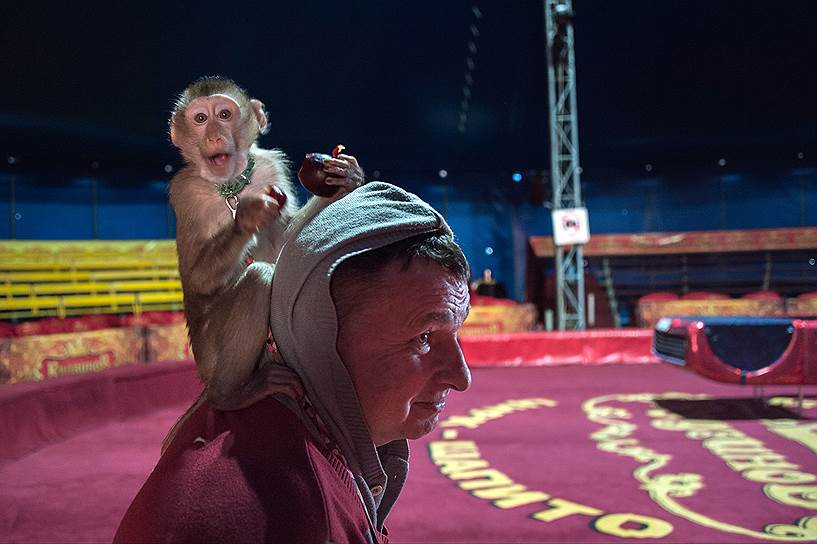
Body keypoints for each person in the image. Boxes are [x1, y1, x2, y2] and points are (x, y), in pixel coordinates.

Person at [114, 182, 472, 543]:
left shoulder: (298, 439)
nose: (462, 377)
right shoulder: (267, 512)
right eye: (424, 337)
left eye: (455, 333)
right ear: (317, 334)